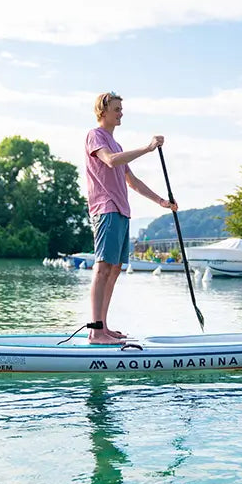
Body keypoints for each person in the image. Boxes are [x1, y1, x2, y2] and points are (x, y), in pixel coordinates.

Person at [84, 92, 177, 344]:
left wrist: (161, 201)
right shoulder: (96, 136)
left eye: (121, 109)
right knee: (103, 268)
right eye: (117, 108)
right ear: (102, 111)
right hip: (106, 209)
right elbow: (110, 162)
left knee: (114, 270)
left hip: (122, 210)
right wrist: (147, 148)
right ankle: (95, 331)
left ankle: (103, 328)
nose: (121, 113)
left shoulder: (118, 145)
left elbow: (132, 181)